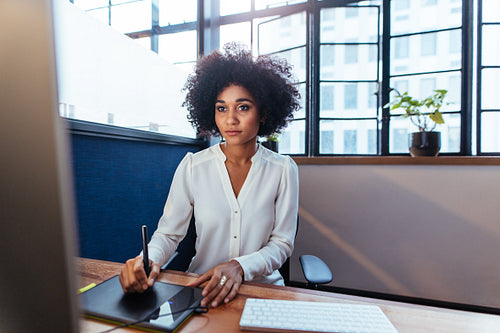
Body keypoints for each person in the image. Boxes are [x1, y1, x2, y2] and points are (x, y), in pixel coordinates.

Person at [119, 43, 300, 308]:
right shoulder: (193, 166)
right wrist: (147, 260)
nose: (230, 120)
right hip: (201, 290)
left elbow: (282, 244)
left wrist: (239, 266)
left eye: (243, 107)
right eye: (222, 108)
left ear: (263, 112)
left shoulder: (283, 169)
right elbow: (168, 235)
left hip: (261, 292)